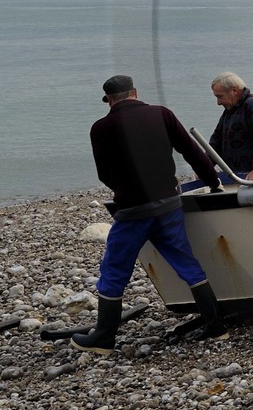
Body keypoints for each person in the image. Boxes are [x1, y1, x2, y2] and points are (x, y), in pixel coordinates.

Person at [78, 74, 229, 352]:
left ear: (109, 100)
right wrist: (213, 182)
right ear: (135, 92)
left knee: (114, 269)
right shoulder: (162, 114)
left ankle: (103, 337)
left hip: (134, 210)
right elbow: (192, 151)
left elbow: (104, 173)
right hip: (169, 204)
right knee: (186, 263)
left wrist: (124, 191)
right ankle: (216, 326)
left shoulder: (101, 127)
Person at [208, 71, 253, 180]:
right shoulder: (229, 110)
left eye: (220, 96)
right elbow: (216, 142)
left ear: (234, 90)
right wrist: (205, 166)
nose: (218, 102)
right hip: (235, 176)